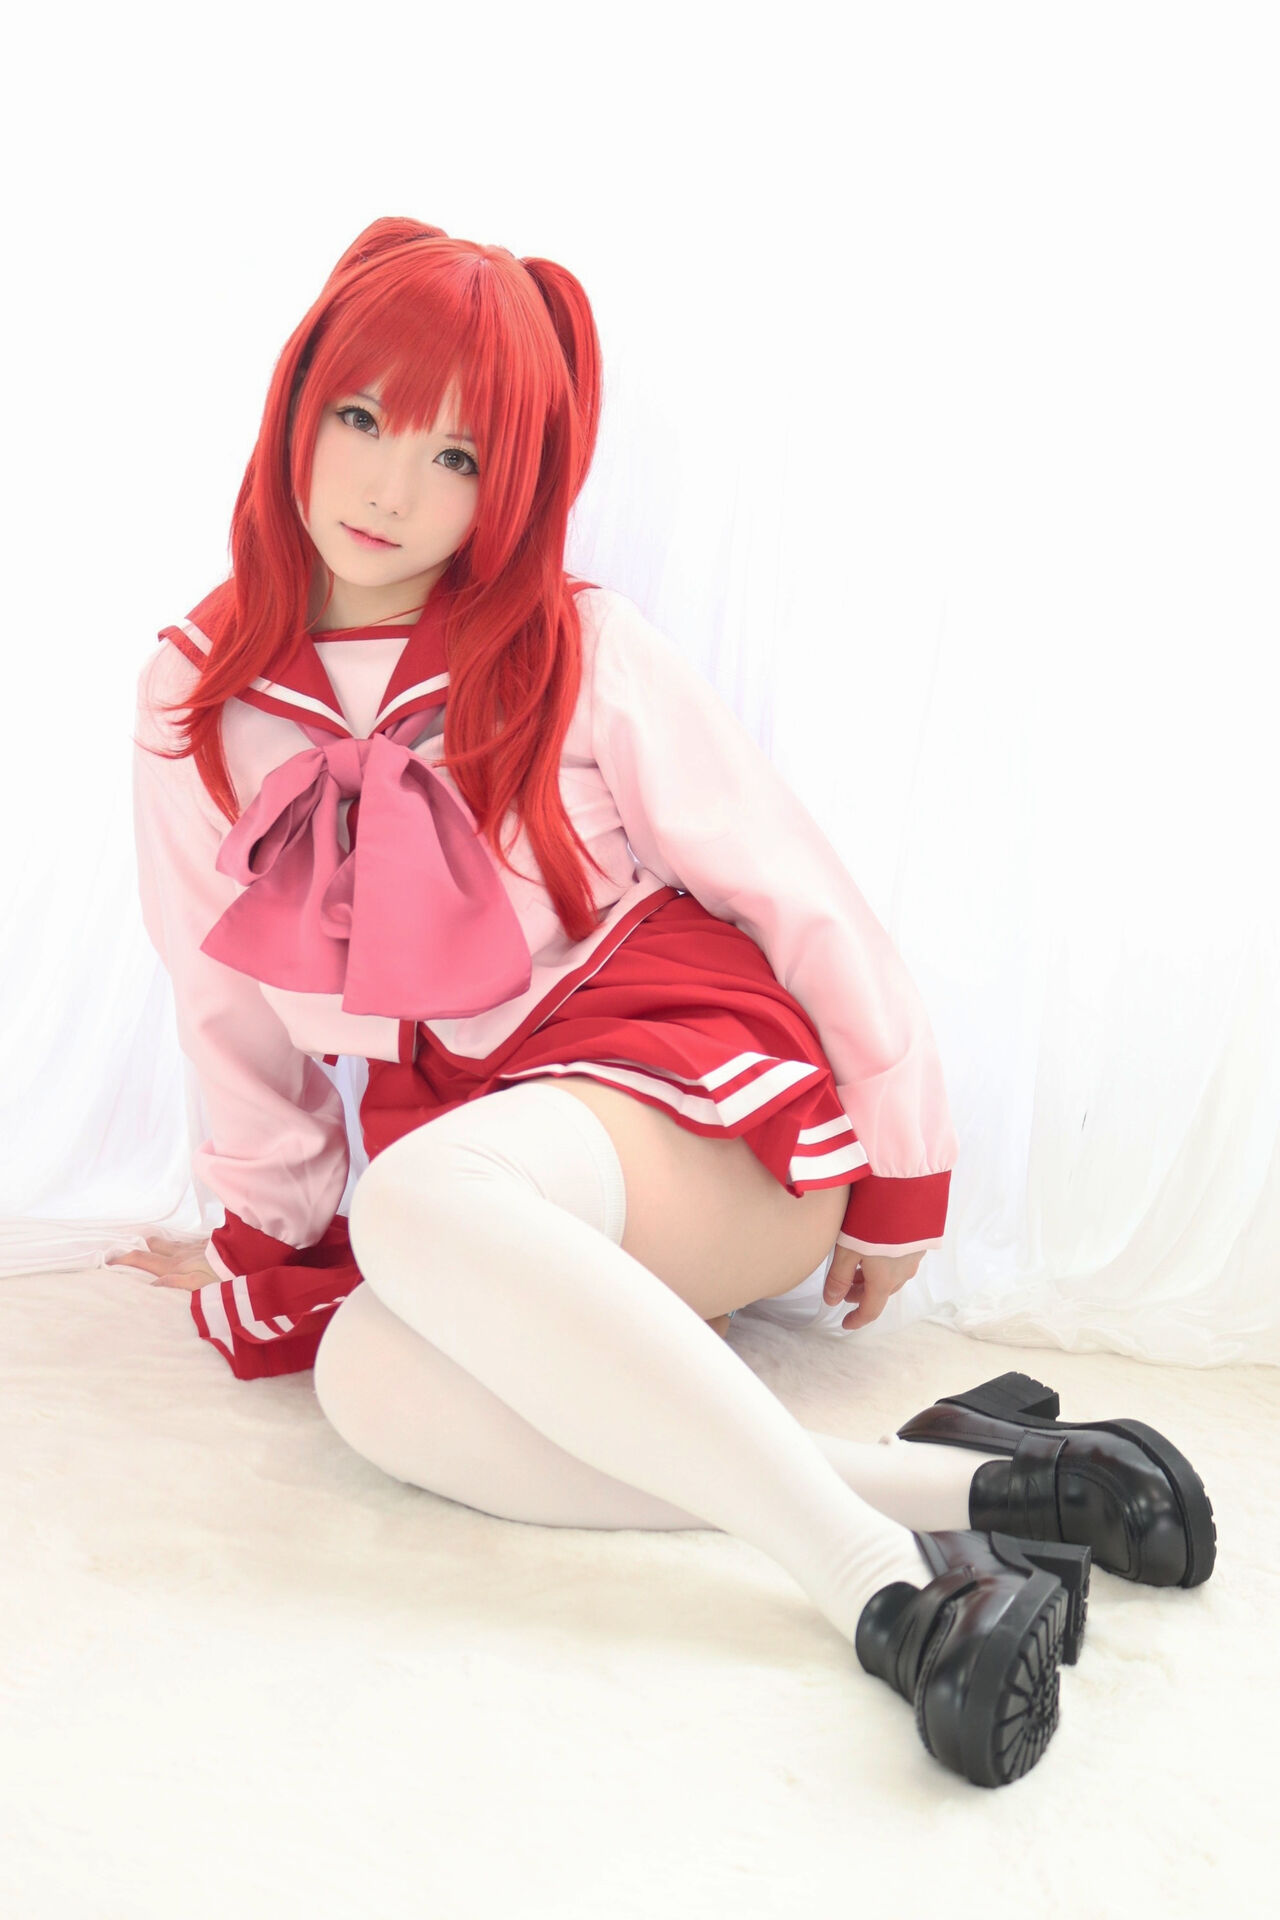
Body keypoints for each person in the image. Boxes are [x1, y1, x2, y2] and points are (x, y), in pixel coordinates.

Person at [108, 217, 1216, 1789]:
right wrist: (267, 1243)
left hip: (702, 1101)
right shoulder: (199, 691)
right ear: (297, 402)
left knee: (416, 1198)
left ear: (514, 484)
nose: (388, 488)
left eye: (455, 456)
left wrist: (904, 1163)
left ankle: (884, 1601)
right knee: (367, 1378)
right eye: (359, 417)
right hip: (487, 1177)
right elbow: (222, 996)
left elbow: (792, 888)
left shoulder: (578, 647)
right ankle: (980, 1500)